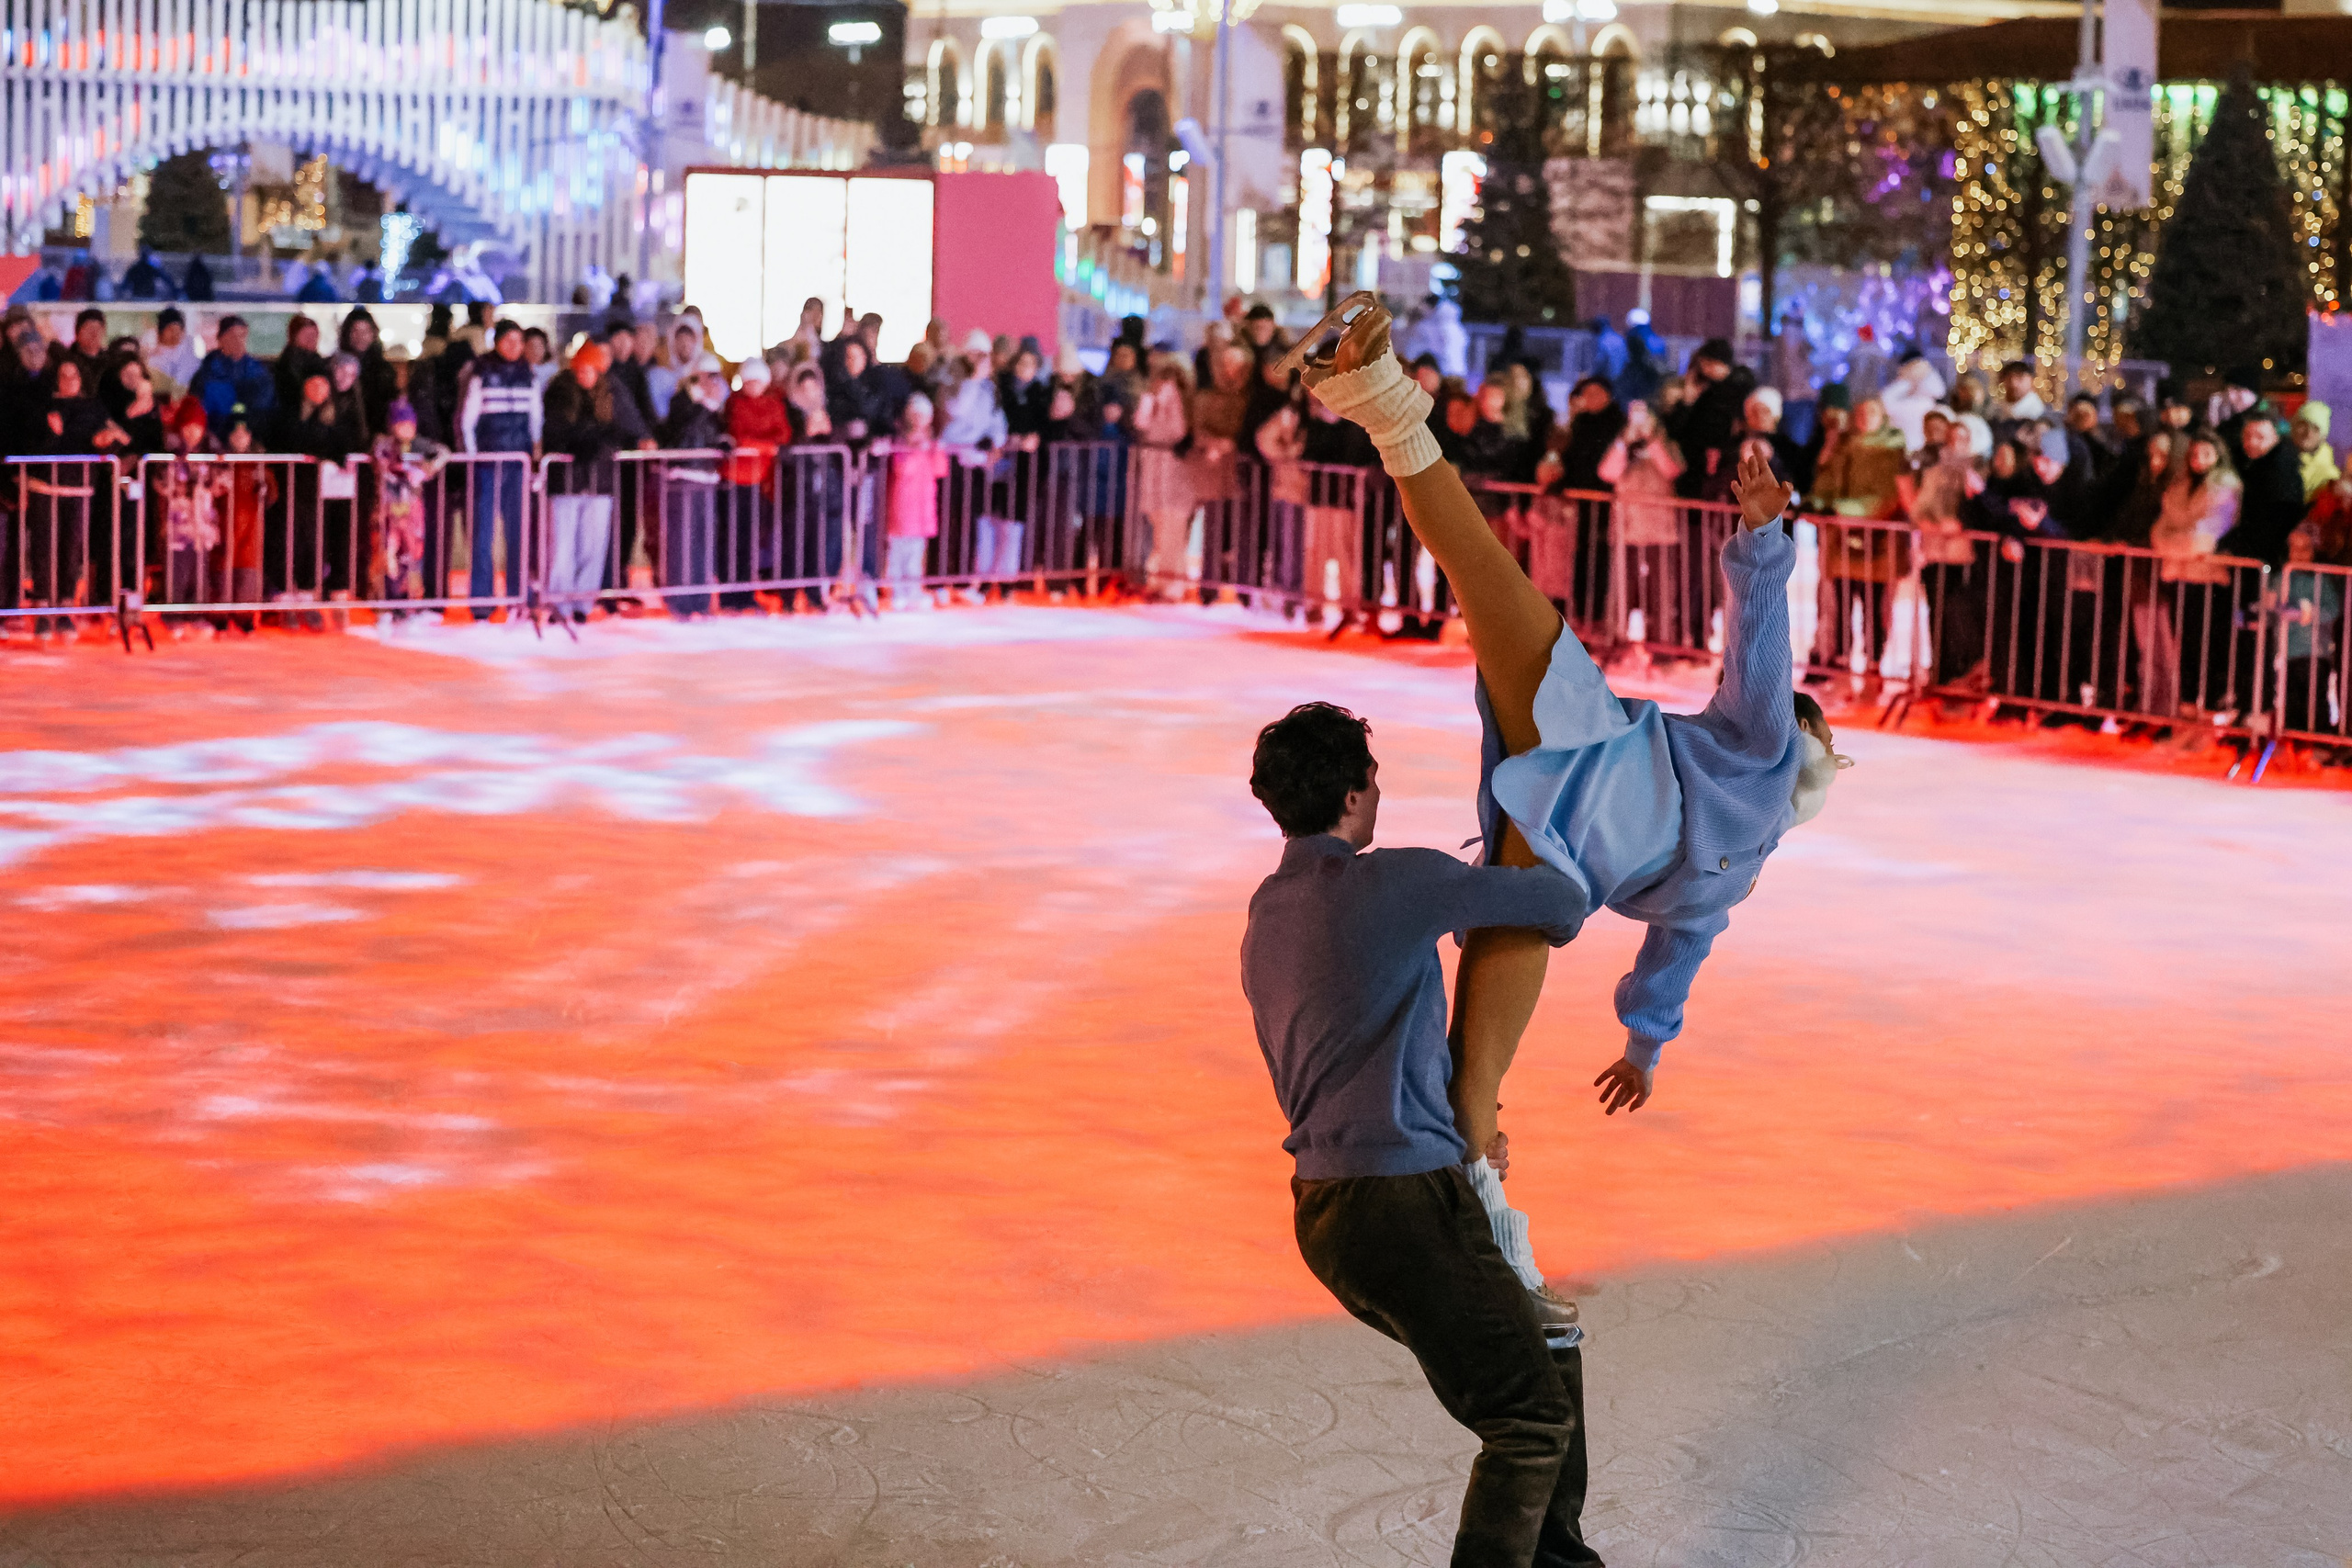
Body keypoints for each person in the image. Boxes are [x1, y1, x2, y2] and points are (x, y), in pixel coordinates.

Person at [1279, 298, 1849, 1565]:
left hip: (1572, 791)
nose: (1793, 717)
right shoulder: (1739, 847)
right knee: (1471, 1091)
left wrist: (1767, 543)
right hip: (1568, 835)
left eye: (1805, 721)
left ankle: (1382, 399)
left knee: (1483, 571)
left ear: (1807, 746)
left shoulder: (1760, 760)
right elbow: (1677, 949)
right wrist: (1643, 1043)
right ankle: (1378, 394)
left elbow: (1760, 660)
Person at [1241, 702, 1599, 1568]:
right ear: (1355, 793)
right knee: (1527, 1419)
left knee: (1548, 1350)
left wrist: (1455, 1121)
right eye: (1373, 778)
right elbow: (1562, 901)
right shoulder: (1399, 880)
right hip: (1403, 1205)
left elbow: (1353, 1037)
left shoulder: (1268, 910)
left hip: (1329, 1212)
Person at [456, 319, 543, 609]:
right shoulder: (481, 373)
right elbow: (467, 420)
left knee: (519, 532)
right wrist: (473, 457)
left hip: (518, 463)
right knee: (483, 535)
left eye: (519, 341)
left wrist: (535, 453)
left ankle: (519, 596)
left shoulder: (528, 376)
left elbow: (536, 419)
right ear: (498, 342)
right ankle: (482, 600)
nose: (514, 347)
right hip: (488, 462)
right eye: (509, 341)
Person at [654, 354, 729, 617]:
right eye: (709, 375)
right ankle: (680, 601)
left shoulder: (713, 406)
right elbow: (681, 433)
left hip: (706, 477)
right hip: (683, 477)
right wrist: (705, 406)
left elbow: (714, 434)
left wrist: (724, 442)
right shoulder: (681, 402)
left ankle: (701, 600)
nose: (714, 382)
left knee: (703, 541)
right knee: (682, 541)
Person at [369, 400, 448, 610]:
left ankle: (407, 602)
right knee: (388, 552)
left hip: (411, 509)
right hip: (390, 508)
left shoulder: (420, 444)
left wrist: (427, 468)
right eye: (401, 424)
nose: (406, 429)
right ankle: (386, 601)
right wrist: (399, 467)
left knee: (412, 554)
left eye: (409, 424)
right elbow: (381, 461)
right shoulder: (384, 444)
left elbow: (443, 452)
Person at [876, 394, 951, 610]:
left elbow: (940, 470)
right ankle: (898, 591)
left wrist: (935, 450)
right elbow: (902, 469)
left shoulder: (932, 443)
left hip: (923, 505)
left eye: (923, 415)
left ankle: (913, 590)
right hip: (903, 503)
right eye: (916, 415)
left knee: (916, 551)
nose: (919, 420)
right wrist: (914, 450)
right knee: (899, 550)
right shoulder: (901, 441)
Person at [1130, 355, 1194, 599]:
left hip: (1176, 469)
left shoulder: (1184, 401)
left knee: (1173, 529)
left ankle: (1173, 585)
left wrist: (1170, 401)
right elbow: (1141, 423)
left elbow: (1179, 430)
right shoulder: (1152, 398)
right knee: (1159, 526)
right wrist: (1151, 400)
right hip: (1155, 468)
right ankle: (1160, 580)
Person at [273, 314, 331, 417]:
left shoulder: (319, 362)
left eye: (314, 335)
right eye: (306, 335)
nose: (311, 339)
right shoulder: (287, 364)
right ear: (294, 336)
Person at [147, 308, 201, 398]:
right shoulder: (152, 361)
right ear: (161, 332)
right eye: (170, 329)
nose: (175, 334)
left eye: (178, 330)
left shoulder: (191, 358)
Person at [2291, 402, 2338, 501]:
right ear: (2293, 427)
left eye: (2316, 428)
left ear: (2323, 436)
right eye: (2303, 424)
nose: (2308, 433)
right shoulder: (2275, 461)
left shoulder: (2329, 478)